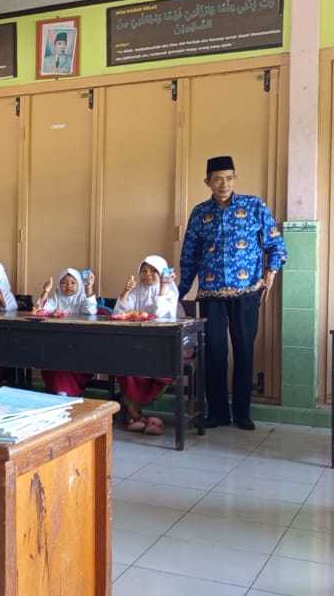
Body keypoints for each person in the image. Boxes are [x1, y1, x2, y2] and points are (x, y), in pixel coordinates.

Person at [177, 155, 287, 430]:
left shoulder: (253, 205)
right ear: (208, 182)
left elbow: (276, 245)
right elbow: (189, 256)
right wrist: (177, 293)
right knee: (214, 353)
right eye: (217, 179)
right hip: (211, 294)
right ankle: (217, 412)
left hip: (248, 293)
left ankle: (242, 413)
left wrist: (270, 274)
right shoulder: (200, 212)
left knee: (244, 351)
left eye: (228, 178)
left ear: (234, 178)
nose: (223, 184)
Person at [116, 255, 180, 434]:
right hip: (136, 344)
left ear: (162, 274)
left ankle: (137, 415)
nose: (147, 275)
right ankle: (135, 414)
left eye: (153, 271)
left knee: (160, 368)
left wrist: (163, 287)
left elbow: (160, 315)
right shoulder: (137, 292)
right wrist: (126, 292)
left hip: (160, 346)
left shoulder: (170, 292)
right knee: (124, 363)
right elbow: (119, 313)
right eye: (143, 271)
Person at [36, 267, 98, 396]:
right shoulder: (56, 300)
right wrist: (46, 292)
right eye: (64, 282)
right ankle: (60, 394)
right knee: (54, 361)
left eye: (73, 282)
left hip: (79, 347)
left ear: (79, 284)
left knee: (66, 362)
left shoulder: (83, 298)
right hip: (58, 345)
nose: (68, 286)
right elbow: (40, 309)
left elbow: (90, 311)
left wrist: (88, 289)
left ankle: (62, 395)